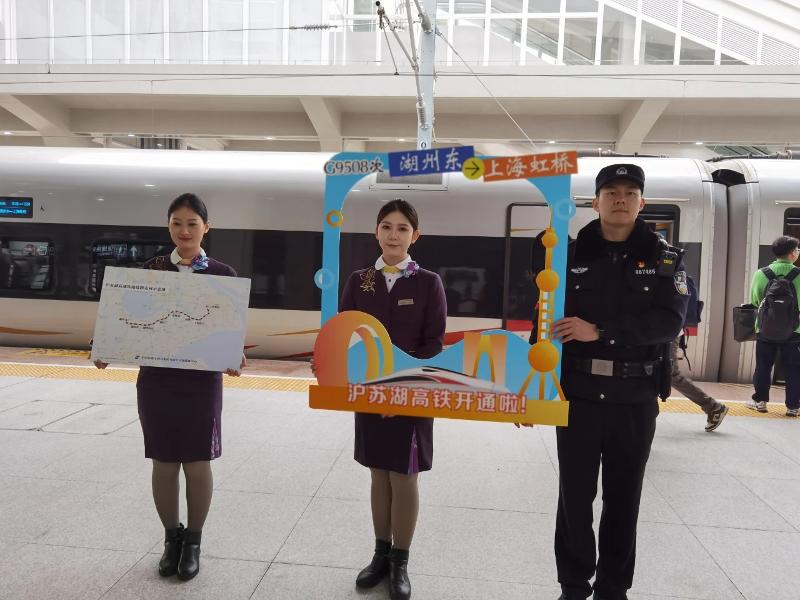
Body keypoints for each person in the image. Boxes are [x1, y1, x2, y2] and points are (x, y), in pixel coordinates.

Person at [547, 164, 688, 600]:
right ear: (596, 202)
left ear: (642, 203)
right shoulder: (568, 256)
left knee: (624, 499)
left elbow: (669, 322)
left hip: (634, 397)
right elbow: (545, 322)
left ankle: (613, 590)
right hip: (578, 396)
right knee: (574, 498)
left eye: (630, 192)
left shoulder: (666, 259)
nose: (621, 199)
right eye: (611, 192)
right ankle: (573, 587)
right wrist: (534, 390)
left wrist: (601, 331)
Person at [94, 193, 246, 581]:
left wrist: (235, 355)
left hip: (201, 383)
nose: (184, 231)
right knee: (163, 463)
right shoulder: (150, 270)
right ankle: (171, 539)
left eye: (192, 223)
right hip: (157, 382)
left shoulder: (224, 275)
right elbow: (129, 321)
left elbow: (229, 332)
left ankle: (193, 541)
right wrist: (108, 345)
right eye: (177, 223)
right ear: (168, 226)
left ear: (206, 228)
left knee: (197, 462)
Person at [337, 199, 447, 600]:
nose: (393, 235)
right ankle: (380, 554)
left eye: (402, 228)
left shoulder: (428, 282)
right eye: (386, 226)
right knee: (378, 474)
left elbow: (433, 343)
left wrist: (399, 390)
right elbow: (346, 334)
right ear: (376, 232)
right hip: (369, 392)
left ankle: (400, 560)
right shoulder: (359, 280)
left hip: (412, 393)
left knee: (404, 476)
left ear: (415, 236)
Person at [746, 235, 800, 417]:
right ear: (792, 254)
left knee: (763, 365)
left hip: (765, 328)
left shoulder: (761, 273)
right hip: (794, 330)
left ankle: (760, 401)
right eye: (797, 249)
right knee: (793, 368)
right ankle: (793, 406)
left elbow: (755, 301)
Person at [670, 275, 728, 431]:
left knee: (670, 374)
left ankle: (713, 407)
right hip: (666, 331)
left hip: (667, 332)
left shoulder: (666, 271)